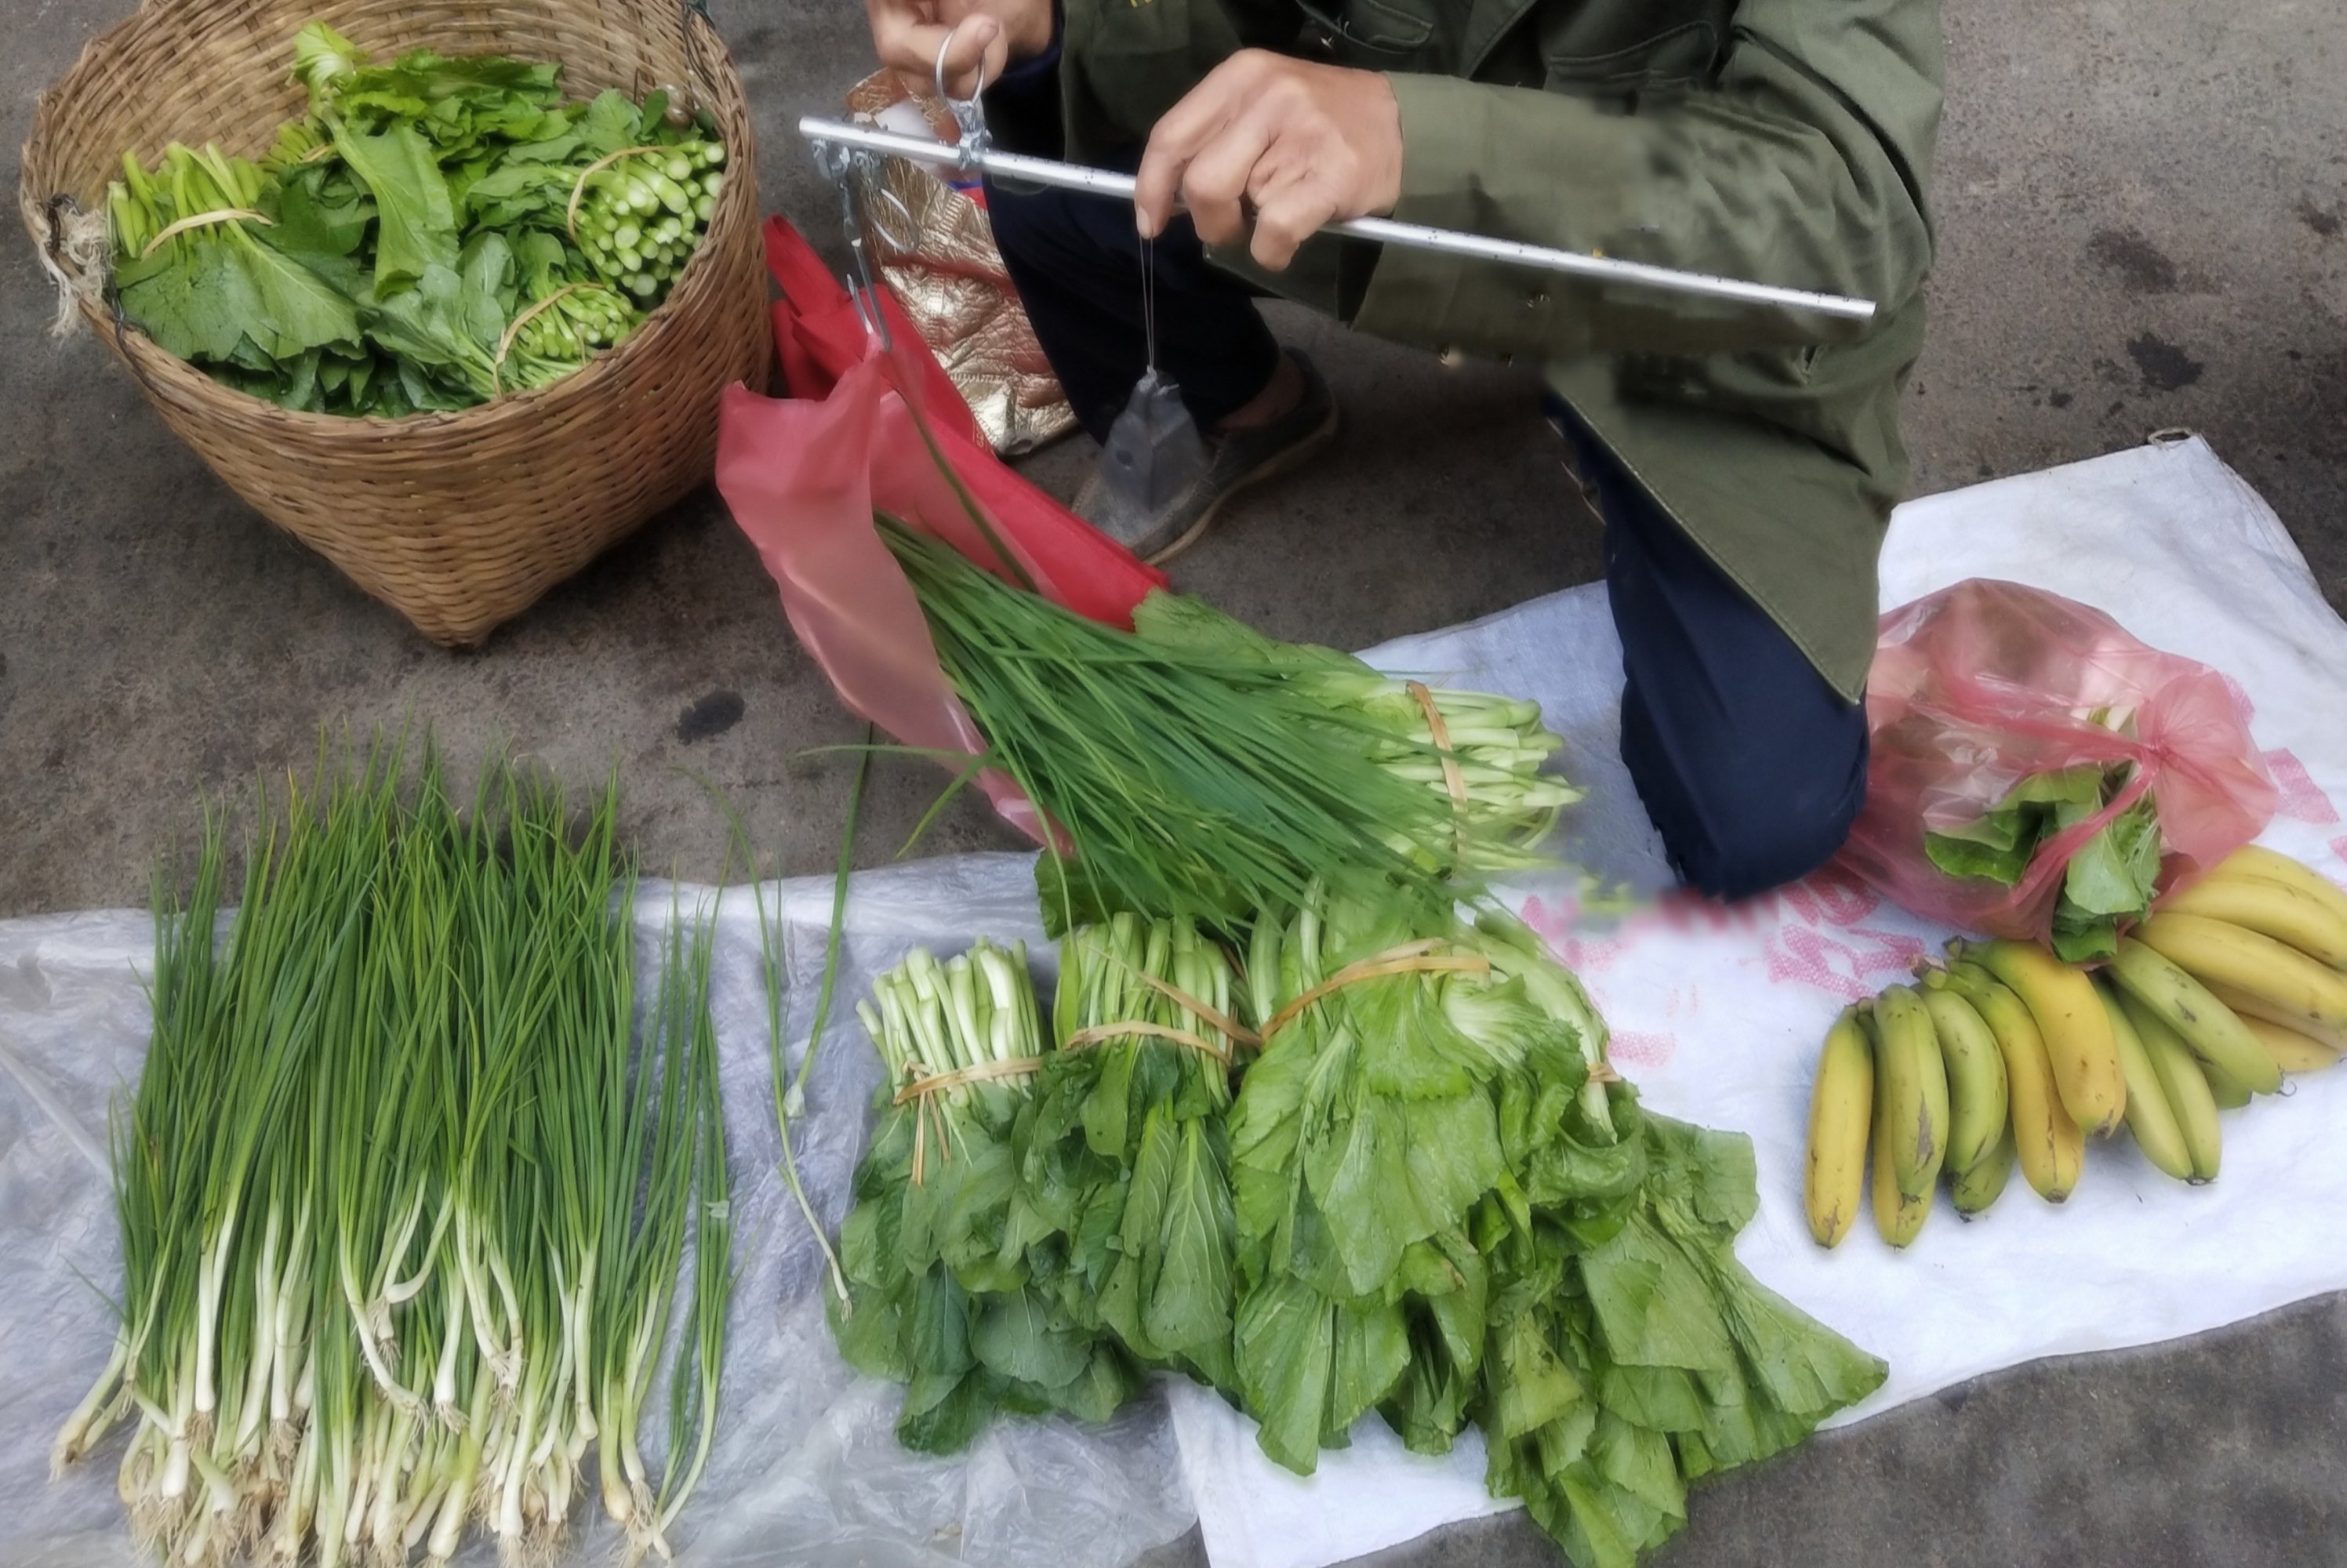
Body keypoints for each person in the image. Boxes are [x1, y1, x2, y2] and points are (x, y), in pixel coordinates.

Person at [859, 0, 1942, 902]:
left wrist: (1416, 141)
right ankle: (1242, 405)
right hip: (1385, 188)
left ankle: (1609, 429)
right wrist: (1056, 22)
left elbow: (1851, 212)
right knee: (1054, 160)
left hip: (1693, 306)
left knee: (1753, 815)